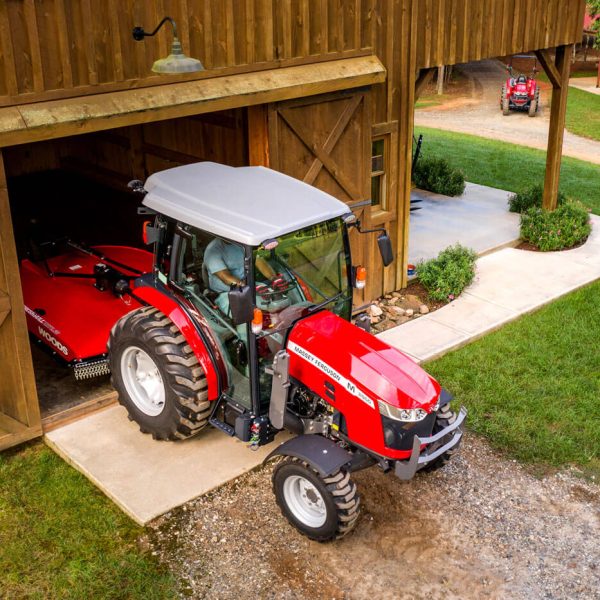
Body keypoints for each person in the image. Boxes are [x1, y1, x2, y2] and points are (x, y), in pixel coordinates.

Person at [204, 237, 276, 318]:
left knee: (277, 302)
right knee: (244, 317)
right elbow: (224, 276)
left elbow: (258, 261)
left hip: (248, 284)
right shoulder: (213, 250)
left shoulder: (241, 243)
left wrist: (274, 279)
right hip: (227, 292)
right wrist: (249, 288)